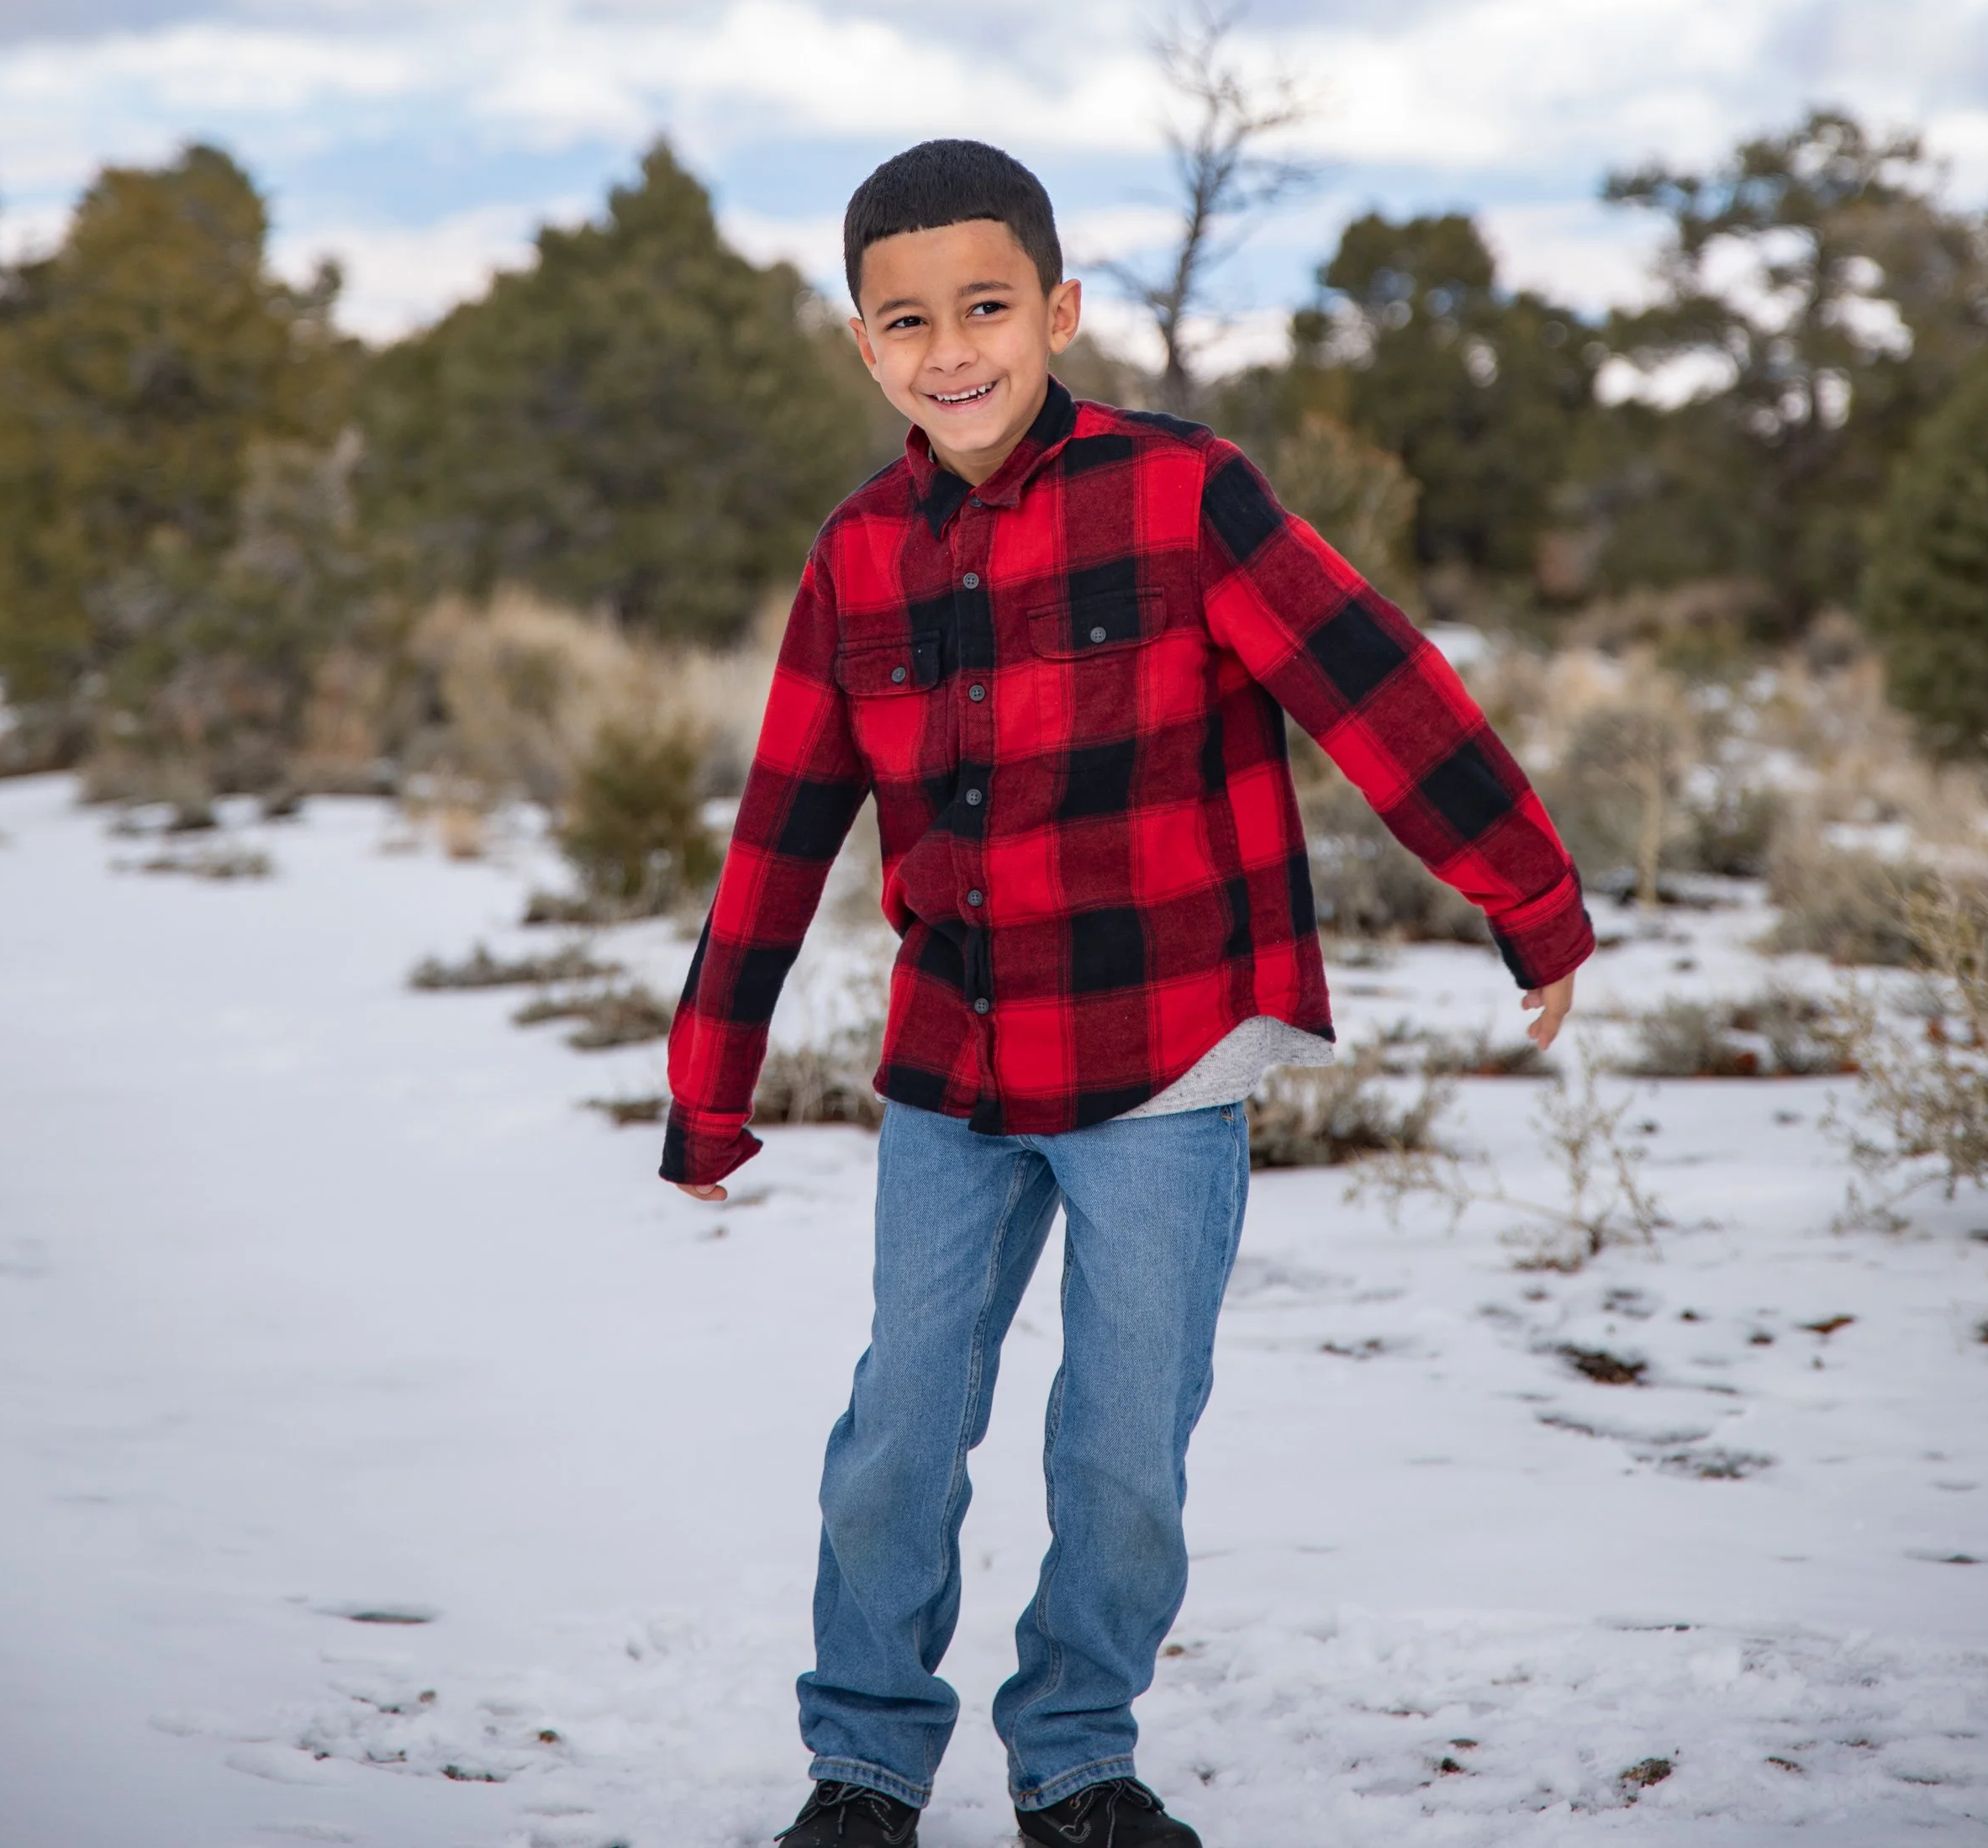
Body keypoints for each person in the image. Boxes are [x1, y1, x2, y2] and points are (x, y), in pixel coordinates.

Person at [662, 140, 1592, 1848]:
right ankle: (863, 1765)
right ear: (861, 345)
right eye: (907, 320)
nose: (952, 350)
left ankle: (1075, 1755)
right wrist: (708, 1080)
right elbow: (782, 827)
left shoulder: (1182, 496)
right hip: (954, 1064)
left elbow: (1372, 684)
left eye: (988, 307)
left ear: (1058, 310)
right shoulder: (854, 557)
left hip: (1163, 1054)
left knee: (1118, 1447)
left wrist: (1522, 894)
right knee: (899, 1427)